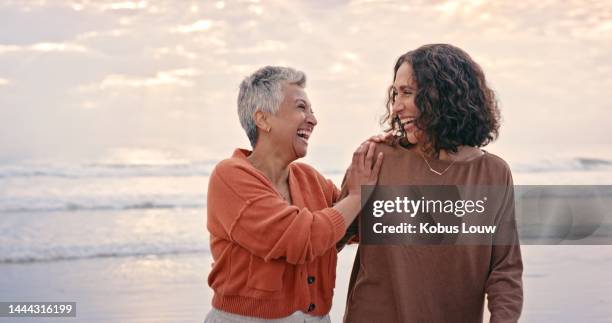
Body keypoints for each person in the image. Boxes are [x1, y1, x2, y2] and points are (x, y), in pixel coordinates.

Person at [342, 44, 523, 323]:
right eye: (395, 94)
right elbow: (331, 237)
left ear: (445, 96)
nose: (396, 107)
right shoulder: (377, 158)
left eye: (408, 93)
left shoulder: (493, 174)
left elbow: (505, 271)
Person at [205, 66, 383, 322]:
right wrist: (356, 196)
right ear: (263, 119)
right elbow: (301, 239)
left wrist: (389, 153)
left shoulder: (309, 178)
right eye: (301, 108)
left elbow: (359, 223)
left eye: (312, 110)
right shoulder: (230, 177)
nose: (313, 119)